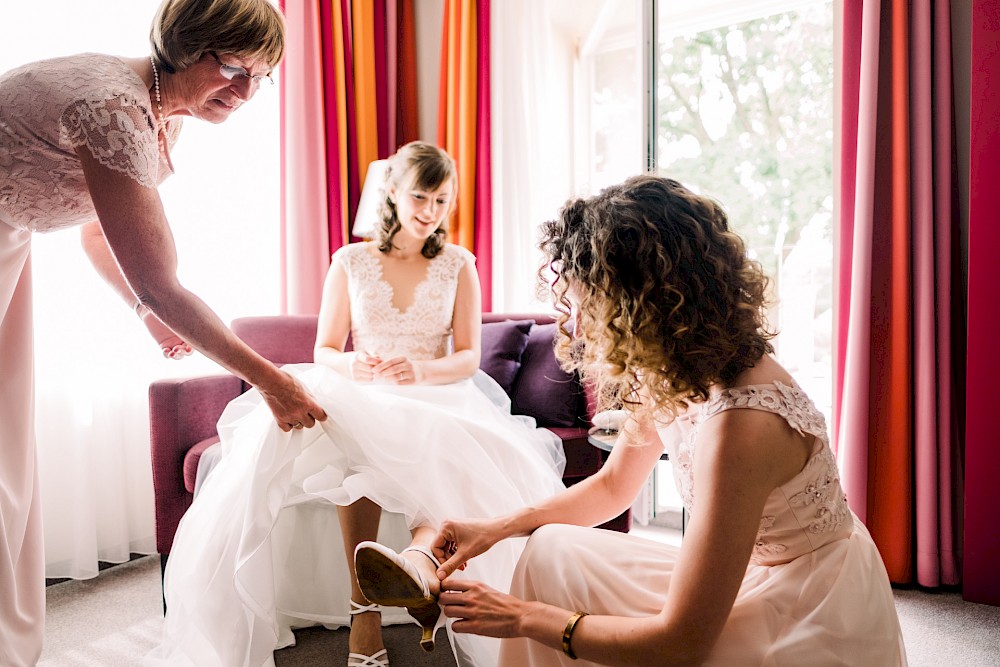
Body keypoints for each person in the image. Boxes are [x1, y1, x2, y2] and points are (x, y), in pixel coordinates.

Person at [408, 174, 908, 666]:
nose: (580, 324)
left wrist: (523, 618)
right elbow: (612, 489)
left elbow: (681, 644)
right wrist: (495, 528)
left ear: (644, 302)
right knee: (550, 549)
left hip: (806, 606)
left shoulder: (742, 426)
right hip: (747, 574)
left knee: (558, 605)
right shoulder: (673, 367)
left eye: (592, 305)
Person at [150, 141, 566, 667]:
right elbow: (326, 349)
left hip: (439, 389)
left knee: (431, 435)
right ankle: (362, 608)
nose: (431, 212)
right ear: (392, 192)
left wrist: (419, 370)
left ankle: (416, 565)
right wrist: (357, 366)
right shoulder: (351, 261)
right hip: (366, 386)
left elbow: (465, 358)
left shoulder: (459, 264)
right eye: (421, 197)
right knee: (354, 435)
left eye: (442, 202)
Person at [0, 1, 329, 664]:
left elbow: (99, 230)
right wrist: (272, 381)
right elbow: (165, 283)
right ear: (184, 43)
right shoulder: (116, 108)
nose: (245, 91)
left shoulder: (159, 117)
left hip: (12, 237)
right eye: (232, 66)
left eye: (261, 76)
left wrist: (142, 312)